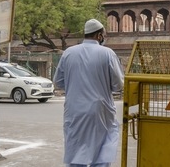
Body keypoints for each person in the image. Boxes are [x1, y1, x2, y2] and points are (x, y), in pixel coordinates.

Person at [53, 19, 124, 167]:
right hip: (100, 110)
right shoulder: (107, 53)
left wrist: (75, 86)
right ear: (99, 35)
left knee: (76, 150)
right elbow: (118, 85)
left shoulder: (69, 53)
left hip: (74, 110)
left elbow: (58, 82)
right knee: (101, 152)